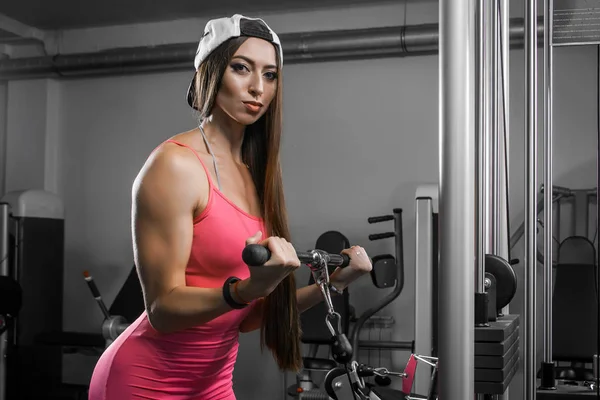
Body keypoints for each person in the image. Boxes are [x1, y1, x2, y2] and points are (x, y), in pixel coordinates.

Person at [88, 14, 372, 400]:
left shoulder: (254, 176)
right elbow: (163, 309)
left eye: (270, 75)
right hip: (142, 381)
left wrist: (332, 283)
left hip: (212, 384)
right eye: (242, 68)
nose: (257, 87)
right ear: (211, 73)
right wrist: (244, 289)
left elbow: (249, 317)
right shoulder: (175, 165)